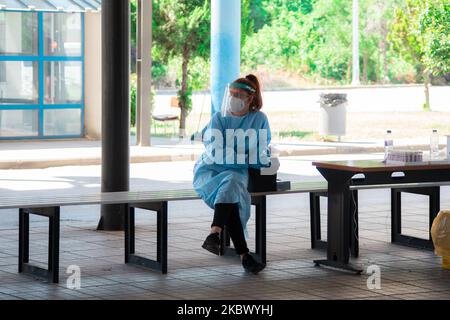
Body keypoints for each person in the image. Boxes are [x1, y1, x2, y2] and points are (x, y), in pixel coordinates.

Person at [193, 74, 274, 274]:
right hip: (212, 170)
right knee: (232, 187)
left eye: (238, 94)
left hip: (238, 172)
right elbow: (215, 150)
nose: (233, 98)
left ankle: (215, 233)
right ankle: (244, 255)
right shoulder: (219, 118)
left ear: (250, 98)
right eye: (231, 94)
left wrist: (253, 159)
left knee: (232, 185)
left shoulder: (259, 119)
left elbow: (262, 150)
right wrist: (243, 158)